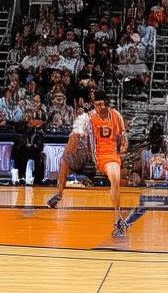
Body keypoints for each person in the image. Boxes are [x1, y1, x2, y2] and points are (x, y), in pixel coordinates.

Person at [47, 94, 129, 238]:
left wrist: (123, 147)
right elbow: (75, 135)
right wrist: (69, 150)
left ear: (107, 104)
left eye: (101, 104)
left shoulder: (116, 116)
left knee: (115, 179)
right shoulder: (88, 117)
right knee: (64, 161)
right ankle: (59, 194)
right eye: (96, 105)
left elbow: (124, 138)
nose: (99, 108)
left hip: (108, 154)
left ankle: (118, 219)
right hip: (89, 151)